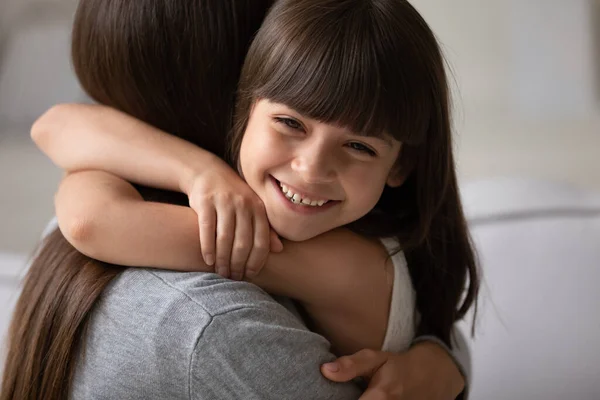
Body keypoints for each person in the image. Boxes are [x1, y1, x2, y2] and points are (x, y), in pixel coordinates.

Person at [2, 0, 475, 399]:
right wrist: (201, 170)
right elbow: (54, 126)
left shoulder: (331, 264)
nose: (311, 168)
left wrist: (190, 171)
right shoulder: (212, 305)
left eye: (359, 146)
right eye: (291, 122)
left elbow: (93, 218)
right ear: (244, 92)